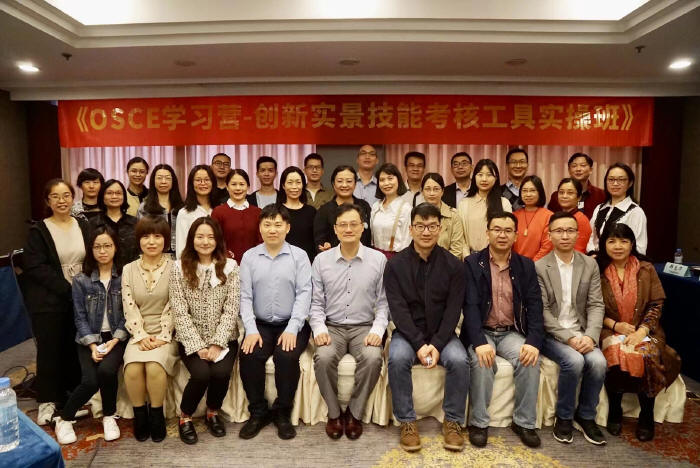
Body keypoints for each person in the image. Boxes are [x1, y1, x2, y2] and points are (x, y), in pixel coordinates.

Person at [385, 203, 469, 453]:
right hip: (408, 333)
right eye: (420, 226)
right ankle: (407, 422)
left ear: (440, 229)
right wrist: (420, 344)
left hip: (443, 334)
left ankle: (453, 421)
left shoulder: (454, 266)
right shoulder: (395, 265)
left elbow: (453, 311)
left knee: (460, 360)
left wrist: (437, 343)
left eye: (432, 226)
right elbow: (398, 311)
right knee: (397, 358)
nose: (426, 231)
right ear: (411, 229)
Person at [462, 212, 544, 448]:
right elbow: (470, 306)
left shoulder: (525, 265)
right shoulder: (472, 263)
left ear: (516, 236)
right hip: (483, 331)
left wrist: (533, 341)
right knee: (482, 361)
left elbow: (535, 305)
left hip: (511, 332)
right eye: (497, 229)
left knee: (530, 359)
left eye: (508, 230)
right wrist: (479, 342)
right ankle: (479, 423)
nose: (502, 235)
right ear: (487, 232)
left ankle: (524, 422)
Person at [311, 204, 388, 440]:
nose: (348, 229)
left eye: (354, 224)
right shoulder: (321, 261)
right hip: (332, 327)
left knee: (373, 358)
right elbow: (315, 303)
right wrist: (319, 328)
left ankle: (354, 413)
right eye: (343, 225)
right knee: (323, 357)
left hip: (364, 327)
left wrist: (378, 330)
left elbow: (384, 303)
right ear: (335, 229)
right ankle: (335, 414)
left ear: (363, 227)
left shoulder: (378, 260)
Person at [597, 223, 681, 442]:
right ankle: (615, 409)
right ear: (604, 244)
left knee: (647, 354)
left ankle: (646, 413)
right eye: (612, 241)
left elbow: (656, 304)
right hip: (608, 328)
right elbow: (591, 306)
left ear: (632, 244)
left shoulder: (646, 269)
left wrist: (641, 330)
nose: (618, 246)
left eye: (623, 241)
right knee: (615, 352)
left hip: (645, 328)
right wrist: (615, 326)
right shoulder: (596, 268)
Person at [238, 205, 312, 440]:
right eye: (267, 224)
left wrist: (292, 328)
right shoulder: (249, 257)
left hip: (292, 322)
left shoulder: (299, 256)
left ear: (287, 228)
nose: (273, 229)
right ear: (260, 228)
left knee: (286, 356)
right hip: (260, 323)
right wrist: (250, 329)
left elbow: (304, 294)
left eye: (278, 224)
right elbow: (245, 296)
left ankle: (282, 413)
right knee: (249, 354)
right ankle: (258, 412)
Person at [535, 212, 607, 445]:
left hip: (583, 332)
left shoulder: (589, 264)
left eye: (570, 231)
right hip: (553, 334)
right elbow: (542, 311)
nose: (565, 236)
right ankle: (564, 417)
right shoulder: (539, 267)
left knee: (599, 362)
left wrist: (591, 336)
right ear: (550, 235)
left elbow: (596, 304)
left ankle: (586, 416)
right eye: (559, 231)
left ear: (578, 234)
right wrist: (569, 338)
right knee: (574, 361)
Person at [52, 226, 128, 445]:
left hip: (116, 337)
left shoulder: (125, 276)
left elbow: (129, 313)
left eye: (107, 246)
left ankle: (109, 415)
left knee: (106, 371)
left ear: (116, 247)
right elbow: (79, 317)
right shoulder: (81, 280)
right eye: (97, 247)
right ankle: (64, 419)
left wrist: (114, 341)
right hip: (89, 338)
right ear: (90, 250)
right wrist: (93, 346)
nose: (102, 251)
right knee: (90, 381)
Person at [23, 179, 90, 426]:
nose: (62, 201)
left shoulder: (82, 225)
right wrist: (67, 289)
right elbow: (35, 267)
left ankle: (70, 397)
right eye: (55, 196)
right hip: (50, 299)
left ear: (73, 198)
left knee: (74, 348)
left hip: (80, 295)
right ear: (47, 201)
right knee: (50, 349)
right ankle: (47, 401)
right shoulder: (39, 230)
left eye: (66, 195)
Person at [170, 217, 240, 444]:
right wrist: (198, 346)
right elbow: (179, 311)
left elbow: (231, 309)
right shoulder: (178, 268)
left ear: (217, 240)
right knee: (201, 374)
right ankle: (185, 416)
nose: (205, 241)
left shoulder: (230, 267)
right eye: (200, 236)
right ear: (192, 239)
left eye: (210, 237)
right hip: (191, 338)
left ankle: (212, 412)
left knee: (220, 373)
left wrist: (217, 343)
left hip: (224, 339)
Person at [122, 216, 178, 443]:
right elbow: (129, 305)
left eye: (157, 236)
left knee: (155, 367)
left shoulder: (176, 267)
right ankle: (139, 415)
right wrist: (140, 335)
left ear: (166, 240)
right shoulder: (128, 269)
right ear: (139, 240)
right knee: (132, 368)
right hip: (138, 332)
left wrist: (163, 335)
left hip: (167, 333)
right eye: (146, 236)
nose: (152, 242)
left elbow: (175, 304)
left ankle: (156, 415)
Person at [588, 163, 648, 255]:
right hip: (597, 260)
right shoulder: (599, 208)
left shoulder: (635, 212)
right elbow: (592, 238)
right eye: (611, 179)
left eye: (621, 180)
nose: (615, 183)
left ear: (630, 183)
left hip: (621, 261)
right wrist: (592, 254)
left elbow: (639, 248)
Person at [457, 159, 512, 257]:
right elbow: (460, 237)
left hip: (496, 257)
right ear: (474, 177)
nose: (484, 179)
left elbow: (508, 233)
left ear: (496, 178)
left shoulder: (504, 203)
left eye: (489, 175)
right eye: (480, 174)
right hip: (470, 257)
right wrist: (468, 258)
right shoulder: (464, 204)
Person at [313, 165, 372, 252]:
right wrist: (325, 247)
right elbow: (319, 241)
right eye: (340, 181)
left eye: (349, 181)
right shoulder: (324, 210)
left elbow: (369, 237)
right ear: (333, 184)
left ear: (355, 184)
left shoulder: (364, 206)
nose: (344, 185)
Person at [211, 169, 263, 263]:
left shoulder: (258, 212)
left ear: (248, 187)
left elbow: (262, 240)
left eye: (242, 184)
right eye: (234, 184)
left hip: (254, 263)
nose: (238, 188)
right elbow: (215, 239)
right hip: (226, 264)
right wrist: (226, 256)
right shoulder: (218, 212)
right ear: (227, 186)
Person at [90, 179, 139, 269]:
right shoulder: (93, 223)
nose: (114, 196)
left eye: (118, 193)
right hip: (102, 272)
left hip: (131, 272)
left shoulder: (135, 223)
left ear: (124, 197)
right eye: (109, 193)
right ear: (102, 196)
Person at [137, 163, 184, 254]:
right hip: (154, 254)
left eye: (167, 178)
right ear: (153, 181)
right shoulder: (144, 208)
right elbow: (141, 235)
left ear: (173, 182)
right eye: (159, 178)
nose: (163, 181)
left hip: (179, 255)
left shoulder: (182, 207)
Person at [370, 163, 412, 258]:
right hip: (375, 257)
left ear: (398, 180)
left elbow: (407, 241)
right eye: (382, 180)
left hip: (397, 258)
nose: (386, 183)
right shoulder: (375, 207)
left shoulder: (405, 208)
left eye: (390, 178)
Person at [277, 166, 317, 262]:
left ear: (303, 185)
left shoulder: (311, 211)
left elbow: (315, 241)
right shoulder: (276, 211)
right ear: (283, 185)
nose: (294, 187)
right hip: (280, 262)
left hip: (306, 262)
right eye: (290, 183)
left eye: (298, 182)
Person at [547, 153, 606, 219]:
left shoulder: (601, 195)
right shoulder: (557, 196)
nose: (578, 169)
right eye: (574, 166)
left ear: (590, 170)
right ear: (569, 170)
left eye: (583, 165)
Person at [420, 173, 465, 259]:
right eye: (428, 189)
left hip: (447, 265)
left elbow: (457, 250)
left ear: (442, 191)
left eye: (436, 189)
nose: (432, 193)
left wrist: (441, 265)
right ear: (422, 192)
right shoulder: (415, 215)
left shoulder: (453, 216)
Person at [175, 165, 216, 258]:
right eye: (198, 180)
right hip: (193, 263)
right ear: (191, 184)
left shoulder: (219, 209)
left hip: (218, 262)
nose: (203, 183)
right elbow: (181, 247)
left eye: (207, 180)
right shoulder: (184, 213)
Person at [512, 175, 553, 261]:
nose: (528, 194)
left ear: (540, 192)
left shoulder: (549, 216)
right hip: (515, 264)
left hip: (539, 265)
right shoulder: (514, 216)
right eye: (524, 191)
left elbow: (547, 247)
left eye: (532, 190)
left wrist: (531, 265)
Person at [555, 178, 592, 253]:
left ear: (579, 197)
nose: (564, 196)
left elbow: (579, 250)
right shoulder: (556, 218)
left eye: (570, 193)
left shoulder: (581, 220)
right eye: (561, 192)